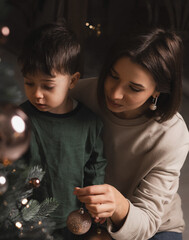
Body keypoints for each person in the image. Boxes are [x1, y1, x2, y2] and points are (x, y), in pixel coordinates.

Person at [71, 28, 189, 240]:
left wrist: (118, 205)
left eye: (134, 88)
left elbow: (148, 221)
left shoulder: (173, 135)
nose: (115, 93)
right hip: (86, 214)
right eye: (113, 76)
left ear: (157, 90)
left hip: (151, 226)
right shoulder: (80, 94)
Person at [18, 23, 107, 239]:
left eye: (47, 86)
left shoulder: (89, 123)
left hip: (75, 217)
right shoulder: (21, 118)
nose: (37, 94)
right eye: (29, 83)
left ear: (73, 81)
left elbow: (95, 166)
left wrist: (96, 203)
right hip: (28, 218)